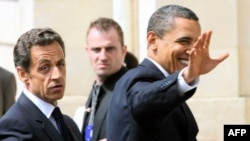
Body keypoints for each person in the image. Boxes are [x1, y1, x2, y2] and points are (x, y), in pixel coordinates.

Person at [107, 4, 229, 141]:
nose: (192, 51)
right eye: (184, 41)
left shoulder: (170, 87)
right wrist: (186, 77)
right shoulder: (137, 79)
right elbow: (144, 102)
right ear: (152, 40)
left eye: (196, 44)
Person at [0, 27, 82, 141]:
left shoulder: (69, 124)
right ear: (23, 74)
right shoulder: (14, 126)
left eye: (60, 64)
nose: (57, 75)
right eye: (45, 67)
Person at [80, 17, 127, 141]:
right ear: (87, 51)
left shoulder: (131, 90)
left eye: (110, 49)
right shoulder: (96, 88)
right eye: (96, 49)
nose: (103, 56)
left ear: (123, 51)